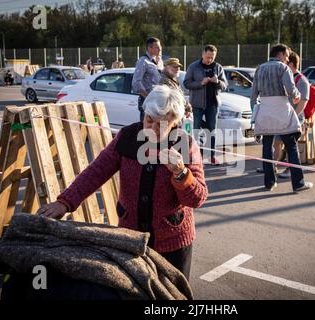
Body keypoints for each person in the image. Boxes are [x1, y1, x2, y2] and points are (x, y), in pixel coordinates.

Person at [36, 85, 207, 280]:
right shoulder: (127, 137)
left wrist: (181, 173)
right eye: (149, 120)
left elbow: (197, 198)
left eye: (161, 124)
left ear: (175, 122)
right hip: (129, 239)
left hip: (172, 243)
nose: (151, 128)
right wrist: (65, 201)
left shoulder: (185, 144)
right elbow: (96, 171)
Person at [250, 44, 313, 192]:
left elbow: (253, 96)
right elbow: (291, 90)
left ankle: (269, 182)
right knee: (291, 146)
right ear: (280, 54)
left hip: (264, 110)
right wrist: (297, 96)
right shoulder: (283, 68)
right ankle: (298, 183)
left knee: (267, 147)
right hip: (281, 110)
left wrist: (255, 112)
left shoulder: (259, 68)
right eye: (286, 55)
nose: (287, 59)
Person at [184, 45, 228, 166]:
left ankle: (211, 156)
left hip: (213, 104)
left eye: (212, 57)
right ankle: (195, 156)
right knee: (195, 130)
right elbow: (186, 83)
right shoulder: (193, 66)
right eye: (208, 57)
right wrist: (200, 83)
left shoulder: (218, 67)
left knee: (212, 131)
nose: (209, 60)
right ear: (203, 54)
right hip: (196, 104)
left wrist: (217, 81)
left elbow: (225, 85)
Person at [278, 51, 311, 179]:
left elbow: (303, 102)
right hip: (284, 117)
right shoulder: (288, 79)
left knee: (291, 145)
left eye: (284, 62)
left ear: (290, 64)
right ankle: (273, 165)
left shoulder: (302, 80)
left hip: (295, 119)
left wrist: (293, 117)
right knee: (278, 143)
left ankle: (290, 170)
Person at [132, 37, 164, 121]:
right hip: (147, 101)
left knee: (158, 128)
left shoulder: (160, 61)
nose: (160, 49)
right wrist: (148, 97)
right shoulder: (143, 61)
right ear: (150, 48)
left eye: (160, 46)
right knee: (146, 130)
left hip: (159, 100)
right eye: (157, 47)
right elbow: (136, 82)